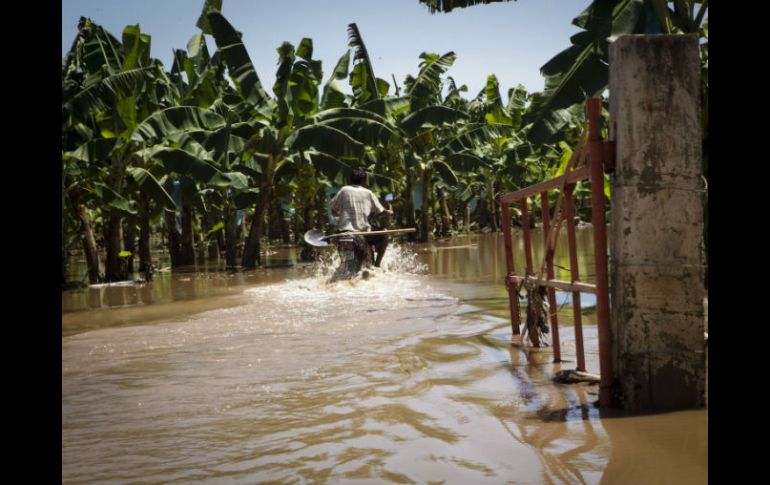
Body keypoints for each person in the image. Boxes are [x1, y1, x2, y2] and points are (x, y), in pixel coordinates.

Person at [330, 170, 393, 270]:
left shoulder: (343, 190)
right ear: (364, 181)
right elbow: (381, 212)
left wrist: (338, 214)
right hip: (363, 233)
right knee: (385, 233)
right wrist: (388, 212)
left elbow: (334, 210)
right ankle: (377, 265)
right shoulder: (368, 192)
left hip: (343, 232)